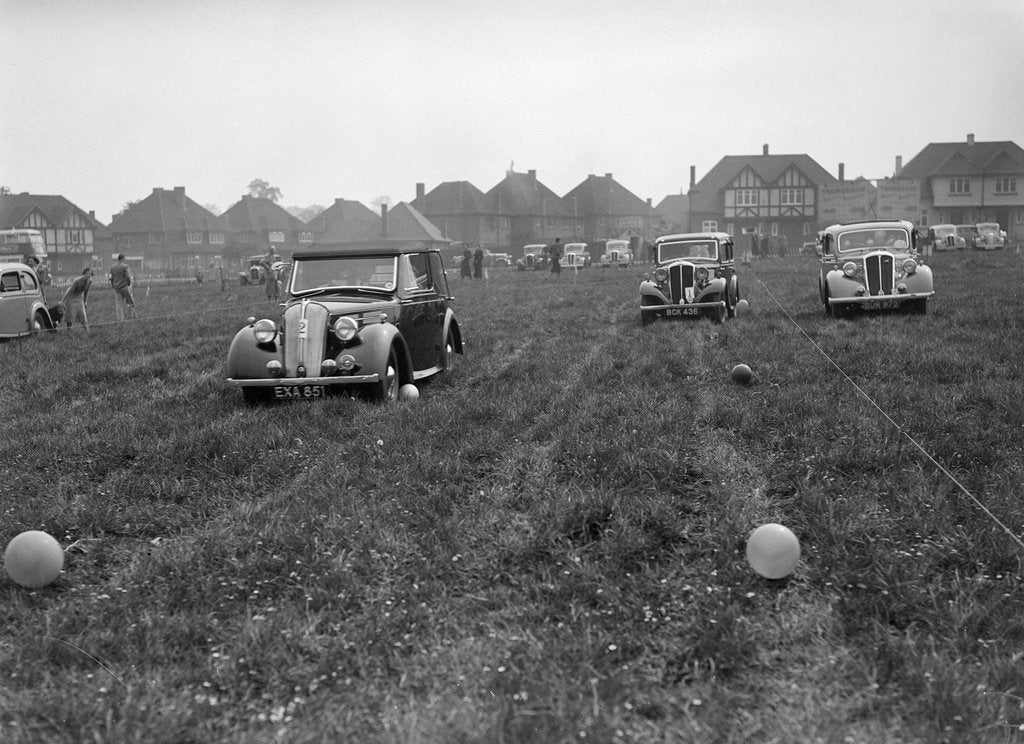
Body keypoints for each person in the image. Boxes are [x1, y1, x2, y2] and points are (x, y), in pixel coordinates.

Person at [61, 267, 94, 332]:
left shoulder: (90, 281)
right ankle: (69, 330)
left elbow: (86, 292)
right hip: (71, 297)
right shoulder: (77, 281)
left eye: (90, 274)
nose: (88, 275)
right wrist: (62, 300)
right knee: (70, 314)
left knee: (82, 314)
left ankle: (87, 331)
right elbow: (70, 291)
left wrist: (85, 301)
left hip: (79, 297)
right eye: (87, 273)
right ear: (83, 274)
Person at [109, 253, 137, 321]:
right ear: (123, 258)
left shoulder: (112, 267)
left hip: (117, 288)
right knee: (130, 302)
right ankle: (132, 317)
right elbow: (127, 276)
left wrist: (113, 284)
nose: (125, 259)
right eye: (125, 258)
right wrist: (129, 283)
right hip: (125, 287)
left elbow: (111, 277)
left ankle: (120, 319)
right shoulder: (125, 266)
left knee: (119, 304)